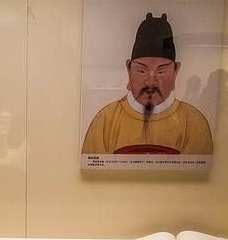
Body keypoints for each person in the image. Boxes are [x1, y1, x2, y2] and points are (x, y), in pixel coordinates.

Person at [82, 13, 213, 155]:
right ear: (129, 69)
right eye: (141, 71)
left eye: (161, 72)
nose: (151, 81)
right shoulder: (106, 119)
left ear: (175, 71)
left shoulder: (193, 121)